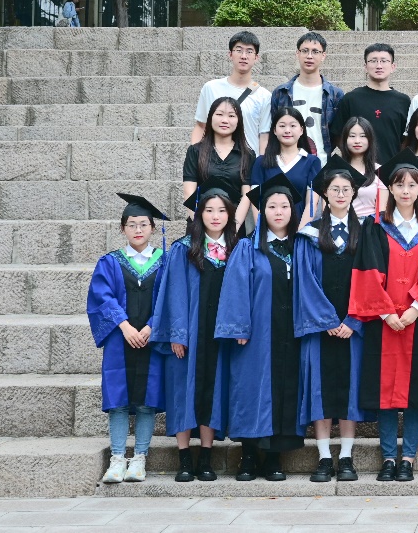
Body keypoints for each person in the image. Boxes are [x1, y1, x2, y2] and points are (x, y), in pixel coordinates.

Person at [349, 154, 418, 484]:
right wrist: (387, 311)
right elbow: (367, 269)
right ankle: (389, 457)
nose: (406, 190)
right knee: (385, 392)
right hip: (384, 321)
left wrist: (416, 309)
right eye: (399, 184)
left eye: (412, 185)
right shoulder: (375, 225)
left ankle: (408, 458)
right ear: (389, 188)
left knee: (416, 391)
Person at [215, 174, 306, 481]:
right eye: (272, 206)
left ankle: (274, 458)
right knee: (252, 390)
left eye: (284, 206)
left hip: (290, 334)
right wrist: (239, 327)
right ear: (261, 211)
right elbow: (236, 288)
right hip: (257, 335)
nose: (278, 212)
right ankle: (249, 456)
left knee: (284, 390)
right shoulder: (247, 247)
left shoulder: (300, 247)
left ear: (293, 211)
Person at [149, 190, 236, 483]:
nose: (215, 216)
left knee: (214, 391)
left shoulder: (236, 249)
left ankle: (206, 458)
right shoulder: (183, 249)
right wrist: (177, 334)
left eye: (221, 210)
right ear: (199, 215)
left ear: (229, 215)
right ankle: (184, 459)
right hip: (189, 334)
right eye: (209, 210)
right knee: (183, 394)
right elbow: (174, 293)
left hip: (219, 335)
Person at [294, 158, 372, 483]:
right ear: (325, 193)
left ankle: (347, 456)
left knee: (350, 388)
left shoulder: (367, 232)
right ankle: (325, 457)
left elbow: (372, 280)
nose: (340, 194)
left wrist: (353, 320)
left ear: (354, 193)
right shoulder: (309, 234)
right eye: (334, 189)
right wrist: (326, 320)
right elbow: (305, 281)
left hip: (353, 327)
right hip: (321, 328)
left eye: (346, 189)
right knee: (320, 389)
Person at [89, 194, 169, 485]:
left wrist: (151, 327)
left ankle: (140, 458)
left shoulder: (165, 262)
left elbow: (169, 298)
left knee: (147, 401)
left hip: (152, 340)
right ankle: (117, 458)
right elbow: (102, 298)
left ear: (153, 228)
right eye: (132, 224)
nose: (138, 229)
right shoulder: (109, 262)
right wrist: (124, 326)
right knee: (118, 401)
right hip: (119, 340)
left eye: (144, 224)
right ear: (122, 228)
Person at [192, 30, 271, 155]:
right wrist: (195, 156)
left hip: (248, 162)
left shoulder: (264, 96)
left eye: (249, 51)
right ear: (230, 54)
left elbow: (264, 136)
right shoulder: (211, 88)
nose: (243, 56)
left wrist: (261, 164)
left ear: (256, 57)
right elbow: (201, 126)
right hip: (213, 161)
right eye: (239, 50)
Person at [270, 31, 344, 164]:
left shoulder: (335, 94)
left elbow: (339, 135)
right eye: (305, 51)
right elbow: (274, 130)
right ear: (297, 54)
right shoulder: (281, 93)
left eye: (315, 51)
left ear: (323, 56)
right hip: (287, 164)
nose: (309, 56)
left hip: (322, 164)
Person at [331, 43, 411, 163]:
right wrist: (354, 159)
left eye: (384, 61)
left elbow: (407, 138)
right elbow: (337, 134)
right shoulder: (351, 99)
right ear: (365, 66)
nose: (379, 66)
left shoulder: (403, 101)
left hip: (392, 169)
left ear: (393, 66)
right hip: (358, 169)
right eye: (373, 61)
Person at [183, 96, 254, 231]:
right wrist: (201, 226)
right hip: (200, 223)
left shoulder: (247, 155)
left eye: (231, 116)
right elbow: (189, 192)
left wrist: (233, 228)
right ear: (210, 117)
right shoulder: (195, 151)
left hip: (234, 225)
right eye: (219, 114)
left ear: (239, 121)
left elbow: (246, 195)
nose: (225, 120)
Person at [252, 107, 321, 227]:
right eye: (282, 126)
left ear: (301, 130)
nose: (287, 130)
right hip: (268, 230)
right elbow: (256, 202)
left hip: (299, 226)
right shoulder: (261, 162)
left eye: (293, 126)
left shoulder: (312, 162)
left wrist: (301, 232)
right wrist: (261, 229)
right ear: (274, 130)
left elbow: (311, 203)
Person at [335, 117, 387, 221]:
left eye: (363, 136)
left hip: (370, 226)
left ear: (370, 140)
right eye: (352, 136)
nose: (357, 141)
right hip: (341, 224)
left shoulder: (380, 171)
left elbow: (382, 210)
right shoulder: (334, 169)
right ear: (345, 139)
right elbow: (327, 209)